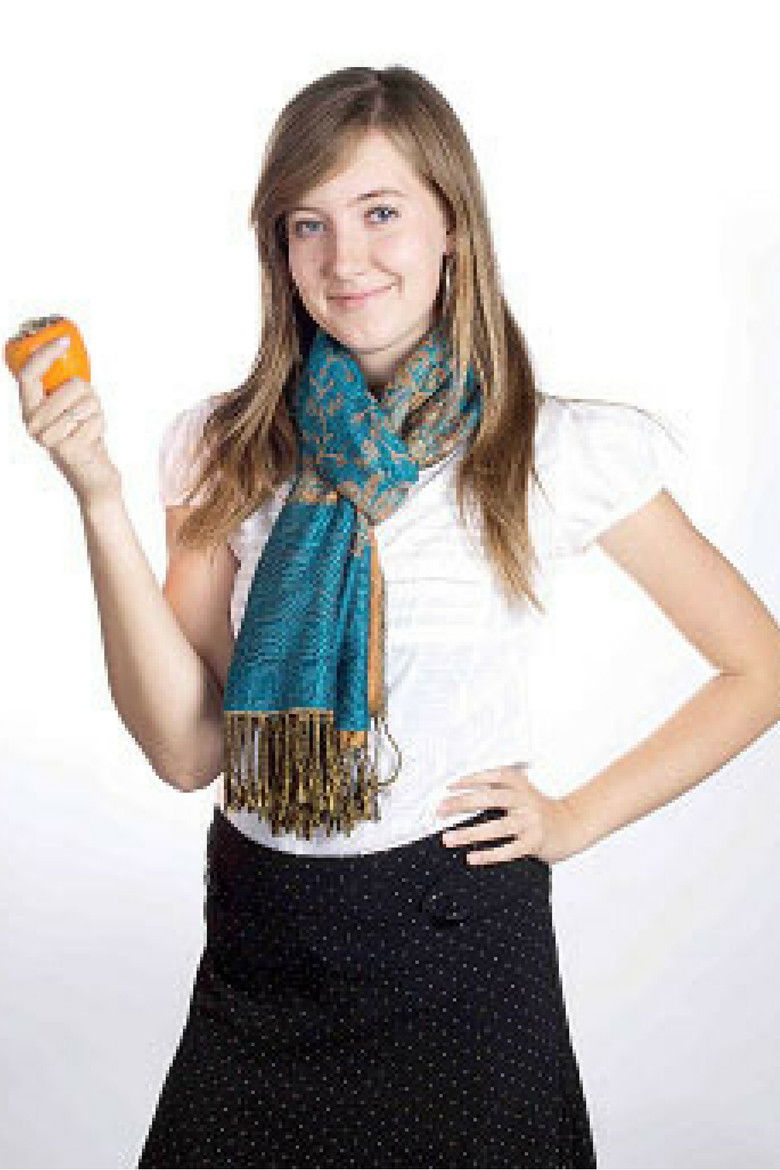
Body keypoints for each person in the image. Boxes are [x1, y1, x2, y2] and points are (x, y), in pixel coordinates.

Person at [14, 65, 780, 1170]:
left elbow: (757, 666)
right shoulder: (226, 446)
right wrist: (97, 499)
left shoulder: (548, 450)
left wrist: (573, 819)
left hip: (457, 943)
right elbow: (186, 751)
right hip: (262, 944)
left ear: (451, 225)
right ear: (279, 249)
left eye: (380, 212)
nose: (345, 259)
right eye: (308, 224)